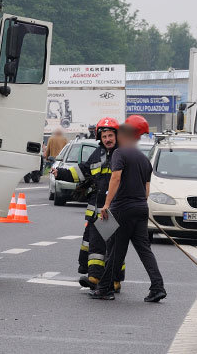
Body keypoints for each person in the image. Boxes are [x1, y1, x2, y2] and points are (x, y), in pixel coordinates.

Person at [91, 115, 166, 302]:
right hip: (141, 208)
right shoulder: (144, 159)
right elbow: (147, 190)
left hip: (122, 208)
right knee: (144, 250)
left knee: (114, 249)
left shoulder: (120, 154)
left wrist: (107, 205)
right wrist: (138, 204)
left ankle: (104, 289)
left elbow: (115, 178)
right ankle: (158, 287)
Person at [52, 117, 125, 288]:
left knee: (112, 247)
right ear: (100, 138)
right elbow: (83, 171)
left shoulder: (121, 154)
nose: (107, 139)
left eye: (110, 136)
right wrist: (60, 173)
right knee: (96, 245)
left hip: (113, 209)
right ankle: (95, 278)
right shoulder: (97, 153)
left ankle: (114, 280)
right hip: (97, 210)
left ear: (117, 136)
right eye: (104, 136)